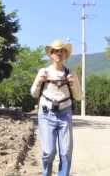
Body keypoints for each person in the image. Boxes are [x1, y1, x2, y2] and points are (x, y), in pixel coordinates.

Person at [30, 39, 81, 176]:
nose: (59, 53)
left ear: (65, 54)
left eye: (62, 51)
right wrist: (39, 80)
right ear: (51, 54)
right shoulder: (44, 71)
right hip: (46, 114)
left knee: (66, 152)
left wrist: (73, 83)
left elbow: (78, 96)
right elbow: (34, 93)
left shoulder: (71, 74)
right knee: (48, 151)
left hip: (65, 114)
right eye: (56, 51)